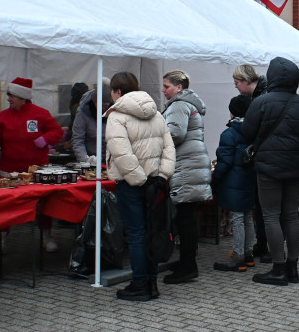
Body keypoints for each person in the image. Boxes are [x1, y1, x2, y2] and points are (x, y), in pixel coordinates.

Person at [243, 57, 299, 285]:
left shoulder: (261, 102)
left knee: (271, 215)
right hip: (295, 165)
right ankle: (293, 269)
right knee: (291, 215)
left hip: (268, 165)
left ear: (272, 77)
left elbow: (247, 131)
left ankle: (278, 268)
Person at [104, 71, 175, 301]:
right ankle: (151, 283)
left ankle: (141, 284)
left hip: (133, 184)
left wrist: (138, 179)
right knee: (151, 231)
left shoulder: (116, 115)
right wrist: (162, 175)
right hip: (155, 182)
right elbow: (169, 147)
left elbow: (121, 153)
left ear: (118, 92)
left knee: (136, 235)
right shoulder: (156, 113)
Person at [0, 77, 65, 256]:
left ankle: (46, 236)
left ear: (23, 97)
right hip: (8, 170)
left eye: (11, 95)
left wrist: (46, 138)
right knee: (4, 206)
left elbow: (57, 131)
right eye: (8, 95)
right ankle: (1, 241)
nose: (8, 98)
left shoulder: (41, 114)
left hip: (36, 171)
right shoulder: (2, 117)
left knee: (43, 205)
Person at [161, 70, 213, 284]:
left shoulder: (179, 105)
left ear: (179, 88)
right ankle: (187, 263)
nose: (164, 90)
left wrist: (156, 139)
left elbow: (175, 133)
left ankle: (188, 266)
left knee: (185, 218)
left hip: (185, 164)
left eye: (167, 86)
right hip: (192, 163)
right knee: (187, 216)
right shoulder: (190, 104)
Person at [212, 94, 257, 272]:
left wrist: (215, 179)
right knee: (248, 217)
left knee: (238, 218)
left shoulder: (230, 133)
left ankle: (238, 256)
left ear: (232, 112)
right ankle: (249, 254)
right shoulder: (255, 131)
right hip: (250, 179)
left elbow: (224, 162)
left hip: (234, 181)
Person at [232, 64, 270, 261]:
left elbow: (256, 129)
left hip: (265, 158)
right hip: (265, 157)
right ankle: (263, 244)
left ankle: (267, 247)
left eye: (237, 83)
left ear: (246, 81)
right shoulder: (261, 94)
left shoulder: (262, 98)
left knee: (266, 208)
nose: (236, 87)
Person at [71, 78, 112, 163]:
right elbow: (78, 139)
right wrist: (85, 159)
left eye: (106, 104)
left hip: (111, 160)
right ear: (94, 101)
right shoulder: (83, 112)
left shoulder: (115, 110)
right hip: (90, 160)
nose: (104, 108)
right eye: (101, 104)